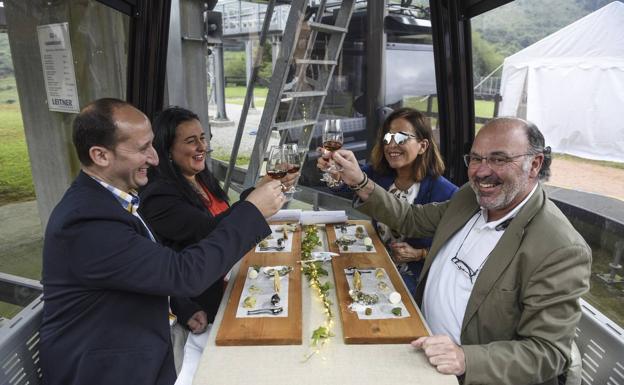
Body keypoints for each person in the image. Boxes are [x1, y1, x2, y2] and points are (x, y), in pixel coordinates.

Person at [321, 117, 591, 385]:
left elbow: (548, 352)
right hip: (415, 334)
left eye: (498, 159)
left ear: (534, 164)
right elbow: (411, 219)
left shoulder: (560, 248)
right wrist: (358, 180)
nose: (481, 172)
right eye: (475, 159)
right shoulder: (469, 197)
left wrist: (465, 359)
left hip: (464, 374)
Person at [40, 98, 285, 385]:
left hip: (150, 341)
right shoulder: (86, 222)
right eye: (143, 148)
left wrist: (183, 306)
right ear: (100, 155)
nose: (155, 159)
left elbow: (147, 267)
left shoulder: (111, 201)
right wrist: (253, 212)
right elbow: (182, 273)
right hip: (112, 369)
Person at [139, 106, 297, 383]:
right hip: (206, 296)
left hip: (230, 276)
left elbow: (227, 217)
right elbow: (211, 232)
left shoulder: (200, 179)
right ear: (167, 150)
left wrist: (259, 190)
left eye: (203, 137)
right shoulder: (159, 197)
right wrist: (254, 202)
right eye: (191, 141)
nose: (202, 146)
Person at [329, 108, 457, 296]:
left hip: (412, 276)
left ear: (422, 146)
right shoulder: (378, 174)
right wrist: (336, 174)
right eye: (388, 138)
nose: (390, 145)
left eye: (401, 138)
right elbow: (347, 186)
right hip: (374, 261)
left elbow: (456, 248)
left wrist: (420, 254)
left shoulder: (446, 192)